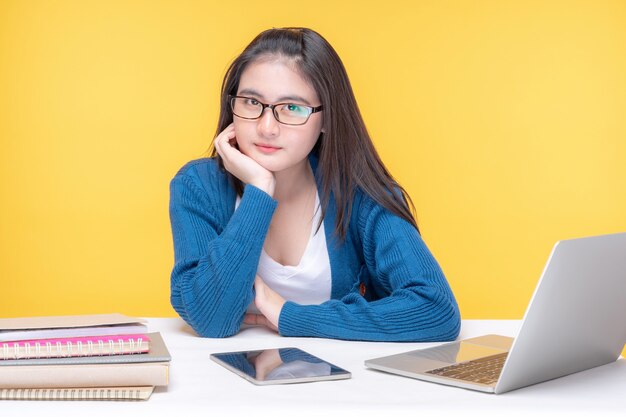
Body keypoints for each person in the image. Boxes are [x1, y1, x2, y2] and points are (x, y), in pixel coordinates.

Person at [169, 27, 460, 341]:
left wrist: (290, 316)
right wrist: (259, 190)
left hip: (348, 381)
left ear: (326, 120)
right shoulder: (197, 186)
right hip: (226, 380)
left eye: (292, 108)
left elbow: (436, 310)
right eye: (252, 102)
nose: (267, 128)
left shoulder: (362, 196)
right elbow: (211, 319)